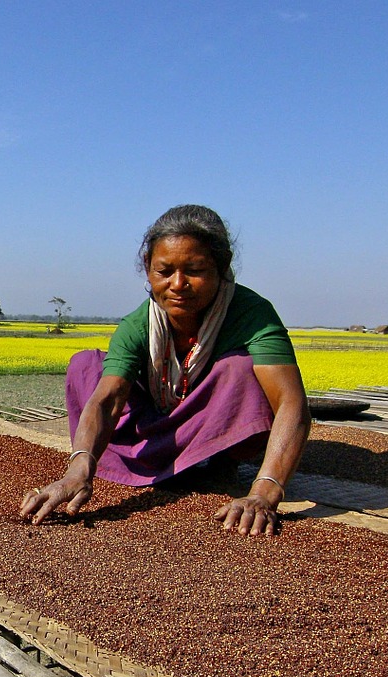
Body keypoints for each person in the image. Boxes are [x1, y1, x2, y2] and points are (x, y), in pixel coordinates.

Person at [19, 204, 310, 535]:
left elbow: (291, 402)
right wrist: (78, 470)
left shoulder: (253, 314)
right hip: (155, 423)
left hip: (213, 424)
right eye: (164, 271)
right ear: (148, 268)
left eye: (195, 270)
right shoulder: (138, 324)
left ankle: (214, 461)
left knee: (241, 369)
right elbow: (108, 398)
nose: (178, 284)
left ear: (222, 266)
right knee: (86, 365)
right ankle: (174, 463)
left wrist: (264, 492)